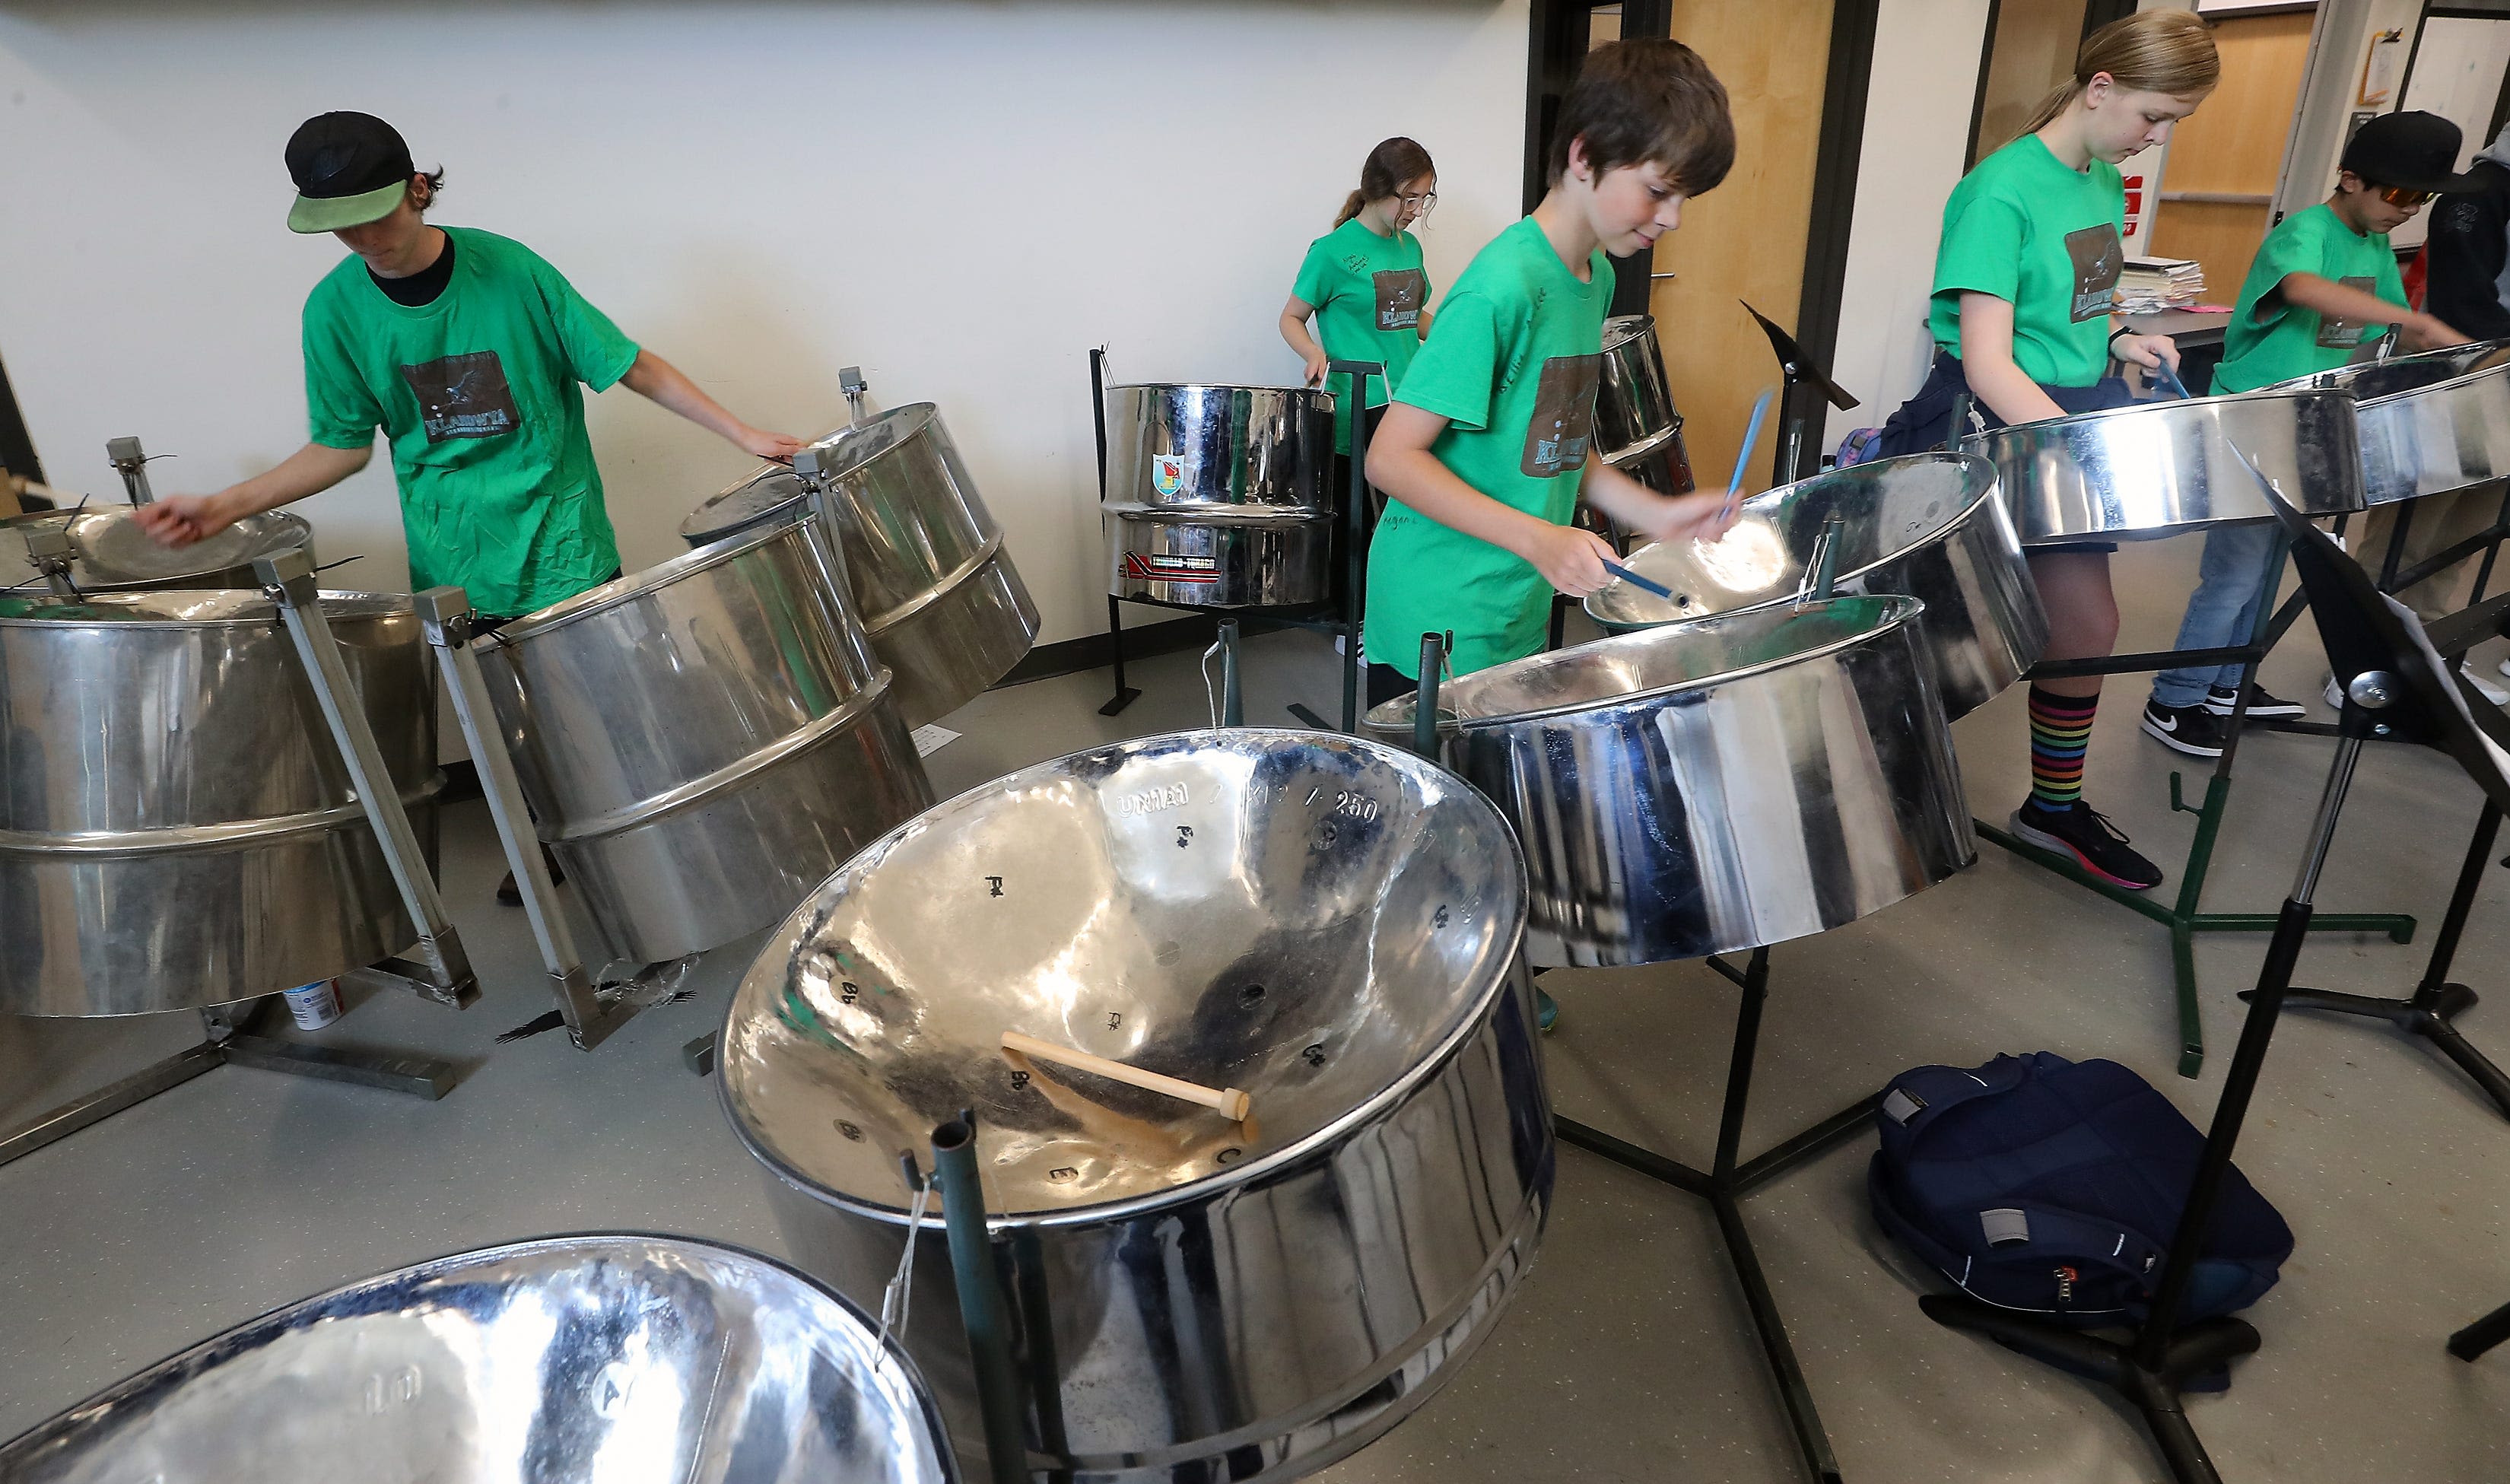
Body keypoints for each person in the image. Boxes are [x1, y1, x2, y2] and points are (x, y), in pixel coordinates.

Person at [137, 111, 806, 903]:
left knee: (611, 709)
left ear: (418, 189)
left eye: (375, 217)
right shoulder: (336, 312)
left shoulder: (510, 270)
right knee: (513, 727)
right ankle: (562, 849)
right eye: (341, 229)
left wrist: (740, 431)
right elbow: (342, 443)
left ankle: (656, 844)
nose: (364, 241)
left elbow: (627, 364)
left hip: (560, 534)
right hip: (455, 552)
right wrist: (226, 505)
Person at [1867, 11, 2218, 890]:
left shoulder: (2100, 179)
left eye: (2173, 121)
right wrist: (2073, 444)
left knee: (2087, 624)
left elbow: (2080, 307)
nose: (2157, 137)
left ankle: (2052, 806)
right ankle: (1875, 793)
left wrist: (2123, 341)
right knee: (1936, 636)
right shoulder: (2001, 191)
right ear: (2100, 89)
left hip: (2063, 414)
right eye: (2153, 116)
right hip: (1992, 422)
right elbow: (1988, 358)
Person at [1363, 38, 1740, 707]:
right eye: (1657, 191)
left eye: (1683, 198)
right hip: (1440, 616)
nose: (1673, 218)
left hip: (1518, 606)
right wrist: (1542, 539)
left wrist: (1658, 512)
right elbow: (1390, 459)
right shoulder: (1501, 287)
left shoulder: (1591, 280)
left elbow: (1555, 443)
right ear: (1585, 155)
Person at [2141, 110, 2473, 758]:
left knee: (2272, 567)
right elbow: (2301, 288)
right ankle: (2174, 699)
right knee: (2233, 573)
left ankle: (2228, 684)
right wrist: (2413, 319)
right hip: (2251, 423)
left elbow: (2389, 329)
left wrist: (2446, 350)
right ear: (2350, 179)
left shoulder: (2374, 244)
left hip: (2310, 428)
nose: (2406, 211)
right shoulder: (2306, 232)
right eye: (2399, 195)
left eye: (2422, 199)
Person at [2391, 118, 2510, 702]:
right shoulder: (2483, 195)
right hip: (2469, 377)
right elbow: (2464, 303)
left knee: (2470, 530)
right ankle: (2374, 659)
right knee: (2410, 532)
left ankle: (2432, 656)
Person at [1280, 138, 1438, 501]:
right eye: (1409, 198)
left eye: (1424, 198)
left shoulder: (1409, 246)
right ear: (1378, 189)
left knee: (1405, 522)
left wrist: (1458, 338)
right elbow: (1291, 317)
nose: (1416, 210)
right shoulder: (1331, 252)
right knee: (1363, 523)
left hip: (1409, 400)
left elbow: (1408, 318)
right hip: (1360, 406)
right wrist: (1312, 353)